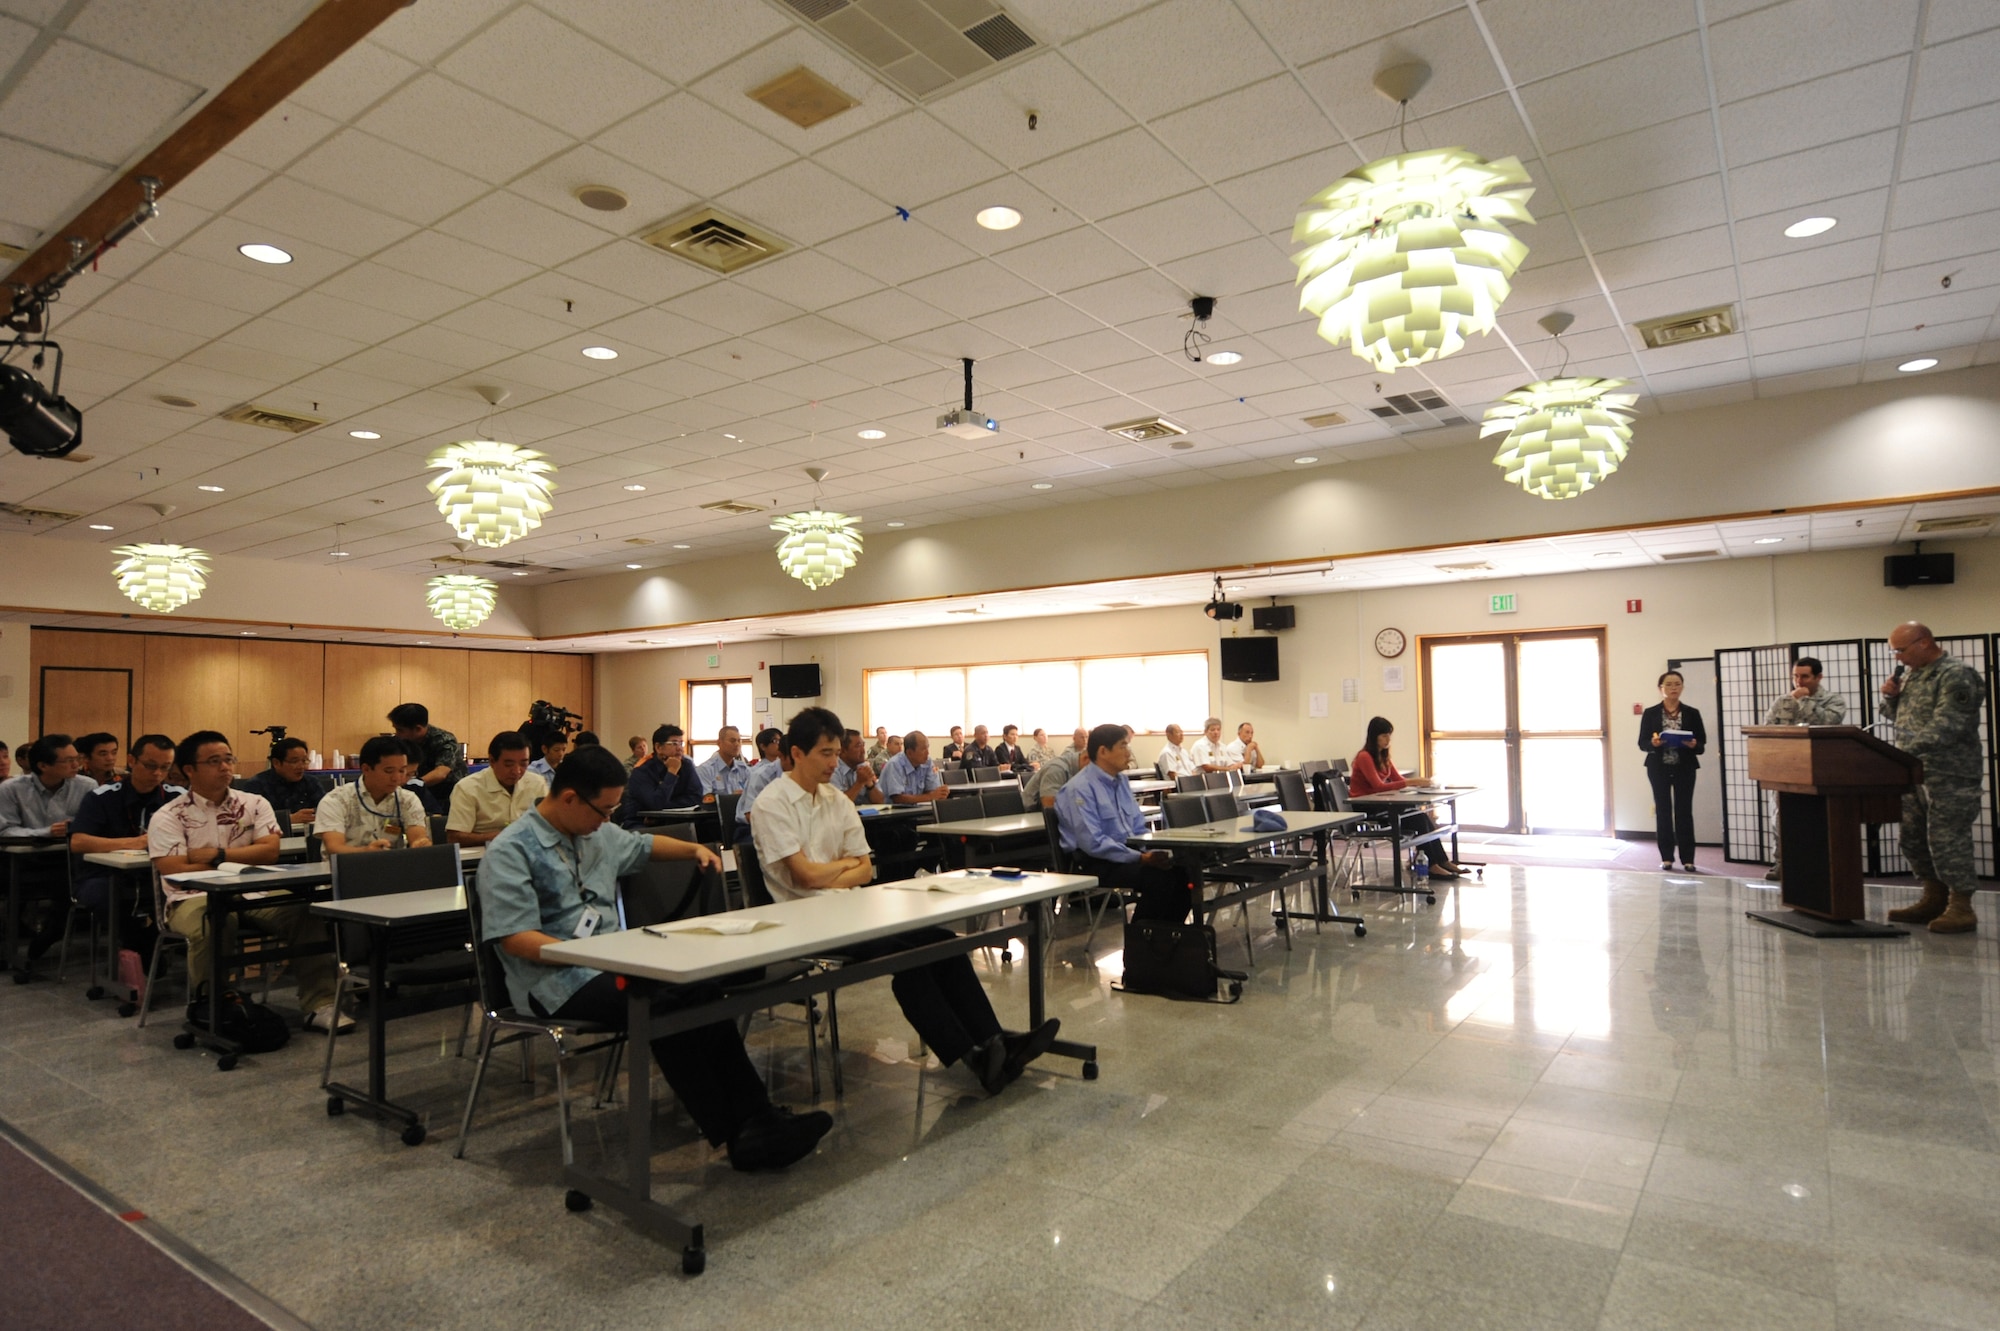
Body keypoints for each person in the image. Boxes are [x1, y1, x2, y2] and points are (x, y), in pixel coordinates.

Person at [480, 744, 831, 1171]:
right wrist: (593, 953)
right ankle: (740, 1132)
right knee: (661, 1000)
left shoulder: (596, 832)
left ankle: (757, 1120)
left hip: (614, 965)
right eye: (604, 811)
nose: (608, 820)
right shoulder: (510, 851)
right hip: (552, 983)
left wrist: (694, 851)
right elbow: (515, 938)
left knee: (697, 987)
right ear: (570, 798)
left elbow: (642, 846)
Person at [752, 707, 1059, 1095]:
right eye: (825, 754)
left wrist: (835, 868)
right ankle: (975, 1055)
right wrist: (841, 866)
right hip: (804, 922)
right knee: (910, 959)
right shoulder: (772, 802)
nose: (835, 762)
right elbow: (804, 877)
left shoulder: (837, 801)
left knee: (942, 940)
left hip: (851, 909)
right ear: (796, 753)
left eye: (836, 753)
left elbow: (865, 870)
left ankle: (996, 1041)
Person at [148, 730, 347, 1032]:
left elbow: (269, 852)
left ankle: (320, 1004)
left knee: (306, 915)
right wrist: (241, 856)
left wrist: (216, 856)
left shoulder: (254, 803)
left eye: (228, 759)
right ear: (189, 770)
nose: (225, 767)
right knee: (214, 922)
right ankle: (212, 1008)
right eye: (214, 761)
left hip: (255, 890)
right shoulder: (169, 815)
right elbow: (174, 867)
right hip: (191, 898)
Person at [1880, 622, 1986, 932]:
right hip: (1914, 771)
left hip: (1949, 773)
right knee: (1912, 838)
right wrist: (1891, 698)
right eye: (1894, 651)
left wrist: (1903, 752)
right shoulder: (1913, 674)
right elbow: (1900, 718)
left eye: (1901, 649)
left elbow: (1949, 725)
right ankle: (1933, 898)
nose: (1898, 657)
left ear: (1924, 642)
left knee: (1947, 839)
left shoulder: (1956, 674)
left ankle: (1961, 906)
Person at [1056, 724, 1194, 923]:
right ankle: (1141, 944)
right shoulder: (1079, 789)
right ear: (1103, 751)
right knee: (1159, 880)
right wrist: (1140, 858)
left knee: (1183, 872)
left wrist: (1151, 851)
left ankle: (1168, 939)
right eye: (1123, 746)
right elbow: (1093, 842)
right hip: (1095, 861)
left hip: (1128, 853)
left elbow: (1138, 827)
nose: (1129, 753)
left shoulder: (1121, 782)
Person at [69, 734, 181, 962]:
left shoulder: (177, 797)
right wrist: (136, 842)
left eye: (165, 767)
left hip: (159, 873)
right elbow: (78, 842)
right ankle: (139, 946)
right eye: (150, 766)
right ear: (131, 760)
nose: (157, 774)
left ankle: (149, 943)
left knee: (192, 892)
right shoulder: (102, 796)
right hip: (104, 875)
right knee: (105, 896)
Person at [1761, 657, 1847, 881]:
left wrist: (1805, 701)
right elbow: (1769, 730)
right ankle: (1782, 863)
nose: (1798, 681)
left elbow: (1830, 723)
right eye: (1795, 676)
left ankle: (1817, 865)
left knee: (1816, 819)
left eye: (1804, 677)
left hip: (1819, 771)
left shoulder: (1833, 700)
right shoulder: (1782, 701)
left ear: (1819, 677)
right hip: (1785, 769)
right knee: (1780, 819)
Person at [1350, 717, 1462, 878]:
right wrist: (1412, 781)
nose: (1388, 740)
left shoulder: (1384, 756)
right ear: (1374, 737)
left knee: (1421, 816)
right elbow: (1378, 786)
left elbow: (1397, 779)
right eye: (1384, 736)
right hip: (1366, 806)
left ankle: (1441, 860)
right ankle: (1431, 865)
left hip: (1380, 803)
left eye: (1389, 735)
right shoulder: (1364, 756)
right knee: (1417, 820)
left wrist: (1421, 783)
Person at [1639, 670, 1707, 873]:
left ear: (1682, 687)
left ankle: (1688, 859)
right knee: (1663, 811)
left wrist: (1694, 744)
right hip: (1658, 768)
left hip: (1684, 768)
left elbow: (1702, 744)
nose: (1673, 688)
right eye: (1668, 684)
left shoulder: (1692, 713)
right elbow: (1642, 743)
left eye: (1677, 684)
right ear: (1661, 689)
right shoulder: (1651, 713)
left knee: (1684, 811)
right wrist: (1653, 743)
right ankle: (1667, 858)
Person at [316, 736, 434, 854]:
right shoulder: (336, 800)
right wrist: (367, 852)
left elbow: (417, 836)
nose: (397, 778)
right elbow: (334, 848)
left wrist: (421, 843)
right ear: (366, 769)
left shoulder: (408, 800)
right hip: (347, 868)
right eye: (389, 771)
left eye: (402, 771)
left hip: (392, 868)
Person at [447, 731, 548, 846]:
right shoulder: (467, 788)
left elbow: (549, 825)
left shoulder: (537, 783)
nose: (517, 771)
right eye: (509, 765)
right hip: (483, 855)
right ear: (492, 761)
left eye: (524, 764)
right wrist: (495, 836)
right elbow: (454, 837)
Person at [0, 733, 96, 835]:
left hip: (73, 848)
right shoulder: (11, 789)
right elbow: (5, 831)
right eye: (69, 760)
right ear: (43, 766)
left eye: (77, 759)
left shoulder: (87, 786)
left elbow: (96, 826)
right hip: (27, 848)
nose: (76, 765)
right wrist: (47, 832)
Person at [388, 703, 465, 812]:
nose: (397, 734)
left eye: (400, 730)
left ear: (418, 729)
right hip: (421, 791)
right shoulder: (403, 741)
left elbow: (441, 773)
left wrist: (411, 784)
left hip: (448, 795)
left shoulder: (444, 740)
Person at [623, 724, 702, 825]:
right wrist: (672, 772)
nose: (679, 749)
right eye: (674, 743)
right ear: (658, 747)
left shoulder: (686, 765)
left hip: (676, 821)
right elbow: (655, 804)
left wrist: (665, 806)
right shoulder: (642, 771)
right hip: (642, 823)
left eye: (681, 743)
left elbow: (696, 798)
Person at [243, 737, 327, 827]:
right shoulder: (256, 785)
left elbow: (326, 808)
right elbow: (248, 819)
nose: (301, 766)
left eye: (304, 761)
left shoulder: (311, 782)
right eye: (294, 761)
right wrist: (288, 819)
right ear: (276, 763)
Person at [735, 741, 792, 847]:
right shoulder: (761, 776)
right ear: (781, 756)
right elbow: (751, 816)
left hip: (785, 829)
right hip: (750, 830)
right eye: (793, 761)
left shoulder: (803, 775)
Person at [1027, 728, 1090, 808]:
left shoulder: (1050, 749)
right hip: (1034, 812)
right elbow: (1049, 803)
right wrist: (1082, 802)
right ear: (1086, 758)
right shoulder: (1057, 768)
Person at [880, 731, 948, 804]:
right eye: (923, 749)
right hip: (893, 811)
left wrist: (941, 793)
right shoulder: (895, 764)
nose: (927, 753)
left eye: (927, 748)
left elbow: (933, 791)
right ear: (909, 753)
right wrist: (930, 797)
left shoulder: (927, 762)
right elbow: (898, 798)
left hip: (918, 809)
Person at [695, 725, 751, 796]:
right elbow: (707, 801)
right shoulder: (705, 770)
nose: (737, 744)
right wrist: (731, 799)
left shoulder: (744, 769)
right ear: (719, 743)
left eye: (739, 741)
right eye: (732, 741)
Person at [831, 729, 881, 805]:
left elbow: (880, 801)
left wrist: (870, 784)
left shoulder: (863, 766)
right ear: (843, 751)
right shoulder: (832, 769)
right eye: (858, 746)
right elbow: (838, 805)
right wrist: (859, 783)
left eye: (863, 745)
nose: (863, 751)